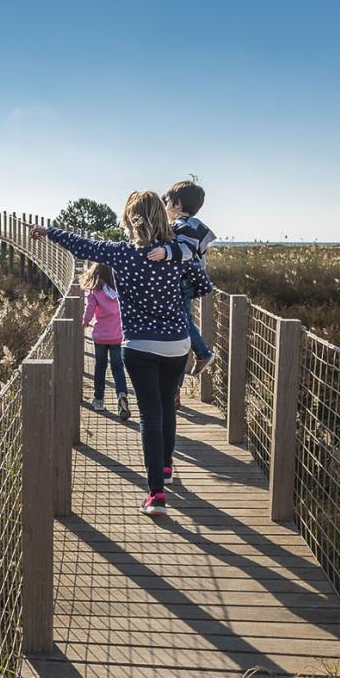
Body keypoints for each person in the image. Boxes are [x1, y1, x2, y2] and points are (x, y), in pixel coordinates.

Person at [32, 190, 213, 516]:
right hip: (176, 344)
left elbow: (82, 245)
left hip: (138, 346)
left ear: (131, 221)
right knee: (167, 405)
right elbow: (202, 285)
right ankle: (168, 468)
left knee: (150, 414)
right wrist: (174, 268)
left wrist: (49, 232)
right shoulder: (179, 255)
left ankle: (156, 494)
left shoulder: (120, 253)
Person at [147, 180, 218, 377]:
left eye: (167, 201)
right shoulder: (188, 225)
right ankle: (181, 376)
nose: (164, 204)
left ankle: (203, 353)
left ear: (177, 204)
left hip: (183, 282)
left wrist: (165, 252)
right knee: (183, 321)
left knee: (182, 320)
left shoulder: (184, 226)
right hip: (184, 281)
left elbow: (187, 251)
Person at [80, 261, 131, 419]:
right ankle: (122, 395)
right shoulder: (119, 290)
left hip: (101, 336)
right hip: (118, 336)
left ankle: (99, 400)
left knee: (100, 367)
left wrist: (85, 321)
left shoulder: (95, 291)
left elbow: (89, 309)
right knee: (118, 368)